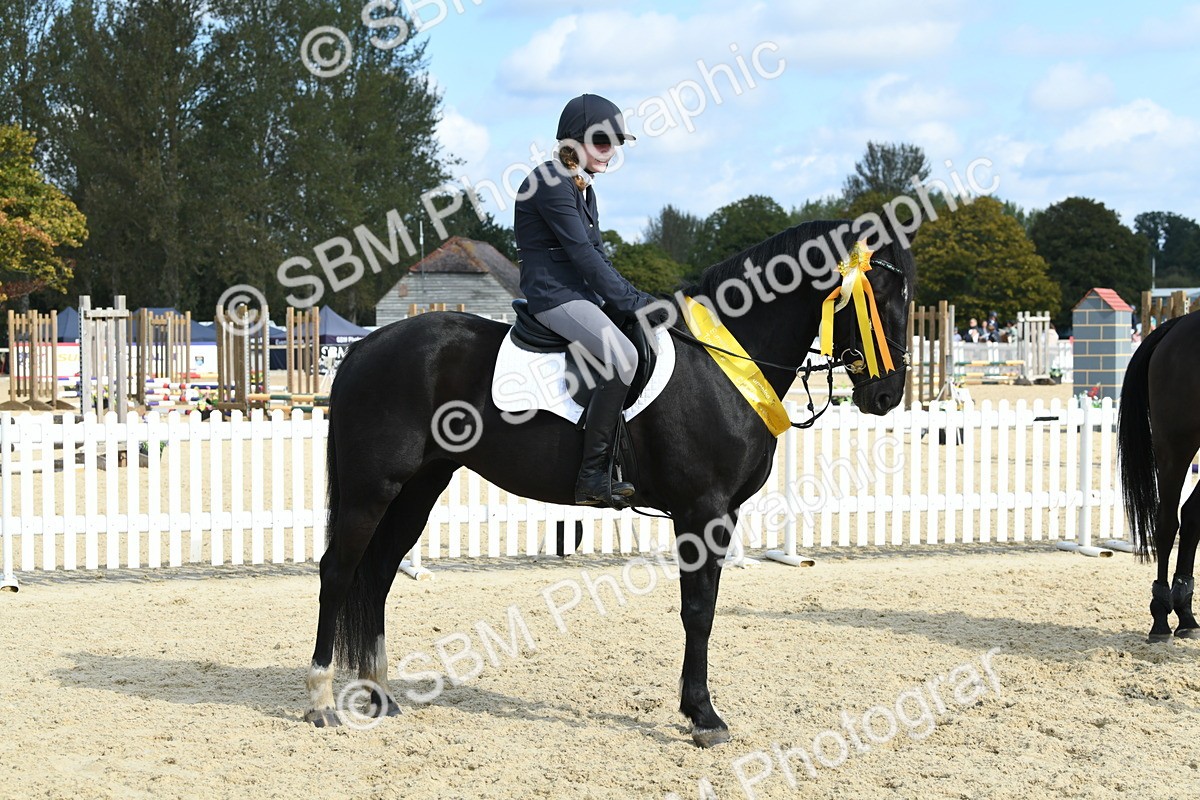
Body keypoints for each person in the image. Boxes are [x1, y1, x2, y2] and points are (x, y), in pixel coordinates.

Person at [514, 94, 666, 509]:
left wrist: (639, 300)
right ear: (575, 141)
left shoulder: (582, 188)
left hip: (581, 294)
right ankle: (592, 477)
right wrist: (635, 301)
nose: (611, 151)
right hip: (554, 296)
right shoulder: (549, 181)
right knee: (624, 358)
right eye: (603, 142)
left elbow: (598, 257)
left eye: (615, 144)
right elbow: (582, 255)